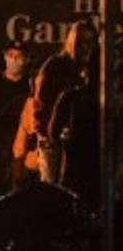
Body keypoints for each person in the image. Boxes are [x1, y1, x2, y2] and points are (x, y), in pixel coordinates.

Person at [32, 21, 98, 187]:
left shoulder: (95, 68)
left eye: (90, 41)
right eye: (82, 41)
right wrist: (51, 131)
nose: (86, 46)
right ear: (72, 41)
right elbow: (41, 105)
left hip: (80, 142)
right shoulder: (55, 66)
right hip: (53, 141)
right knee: (53, 190)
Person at [0, 41, 31, 198]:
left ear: (26, 59)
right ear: (5, 57)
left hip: (23, 151)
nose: (14, 60)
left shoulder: (32, 86)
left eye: (19, 57)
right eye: (11, 56)